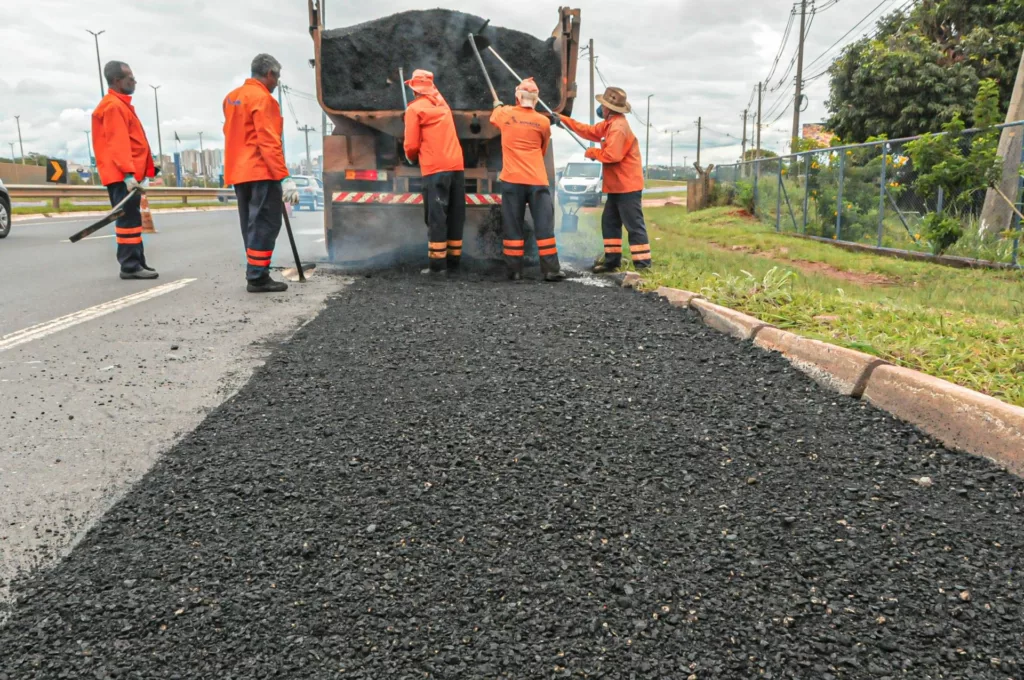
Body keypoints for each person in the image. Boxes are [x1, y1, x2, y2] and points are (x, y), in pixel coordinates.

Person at [223, 53, 300, 293]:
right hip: (260, 170)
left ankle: (256, 269)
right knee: (265, 224)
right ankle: (257, 277)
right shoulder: (263, 99)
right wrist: (284, 176)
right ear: (269, 74)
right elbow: (269, 141)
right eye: (276, 78)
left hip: (239, 171)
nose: (277, 84)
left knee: (250, 224)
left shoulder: (232, 98)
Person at [556, 87, 652, 272]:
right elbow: (588, 131)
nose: (600, 108)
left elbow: (613, 155)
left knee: (634, 225)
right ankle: (612, 262)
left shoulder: (618, 128)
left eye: (603, 105)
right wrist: (562, 120)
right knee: (609, 223)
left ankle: (643, 266)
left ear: (608, 109)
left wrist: (593, 152)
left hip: (627, 186)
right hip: (616, 187)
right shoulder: (609, 124)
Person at [490, 78, 565, 282]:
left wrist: (498, 105)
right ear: (536, 100)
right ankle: (550, 270)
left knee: (513, 225)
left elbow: (494, 116)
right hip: (537, 180)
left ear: (517, 97)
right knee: (544, 225)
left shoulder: (506, 115)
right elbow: (542, 148)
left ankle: (514, 271)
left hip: (513, 180)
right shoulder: (542, 121)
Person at [91, 60, 158, 280]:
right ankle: (129, 266)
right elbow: (118, 143)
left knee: (133, 218)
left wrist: (148, 167)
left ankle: (137, 261)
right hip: (122, 176)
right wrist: (128, 174)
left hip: (128, 175)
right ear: (117, 80)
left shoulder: (120, 105)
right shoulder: (113, 106)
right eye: (130, 77)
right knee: (128, 220)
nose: (134, 80)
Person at [403, 69, 465, 275]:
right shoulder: (443, 105)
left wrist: (410, 156)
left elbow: (411, 143)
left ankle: (438, 266)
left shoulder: (414, 109)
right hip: (456, 166)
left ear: (414, 90)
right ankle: (454, 262)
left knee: (437, 215)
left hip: (435, 168)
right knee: (455, 214)